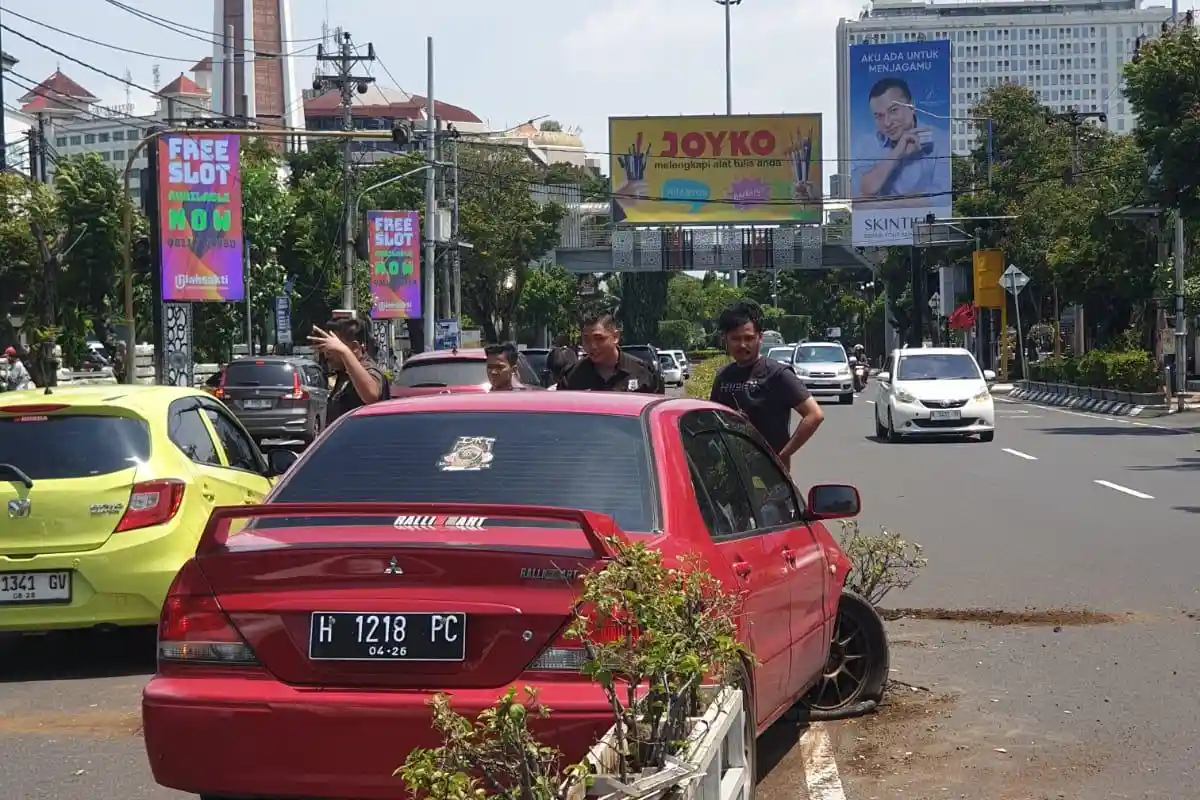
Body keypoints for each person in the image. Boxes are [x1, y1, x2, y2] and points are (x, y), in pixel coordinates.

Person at [709, 300, 824, 469]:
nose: (742, 345)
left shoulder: (778, 374)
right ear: (725, 339)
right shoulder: (723, 376)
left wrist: (782, 455)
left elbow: (814, 415)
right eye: (735, 339)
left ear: (760, 338)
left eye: (749, 338)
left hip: (770, 476)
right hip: (732, 474)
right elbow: (712, 420)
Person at [852, 76, 950, 205]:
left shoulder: (940, 140)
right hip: (877, 224)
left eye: (893, 110)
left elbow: (942, 197)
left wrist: (885, 204)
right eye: (879, 116)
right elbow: (864, 190)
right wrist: (898, 152)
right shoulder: (866, 144)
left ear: (911, 106)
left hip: (927, 223)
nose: (887, 123)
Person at [308, 317, 389, 425]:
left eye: (333, 346)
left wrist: (344, 352)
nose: (327, 352)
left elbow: (371, 395)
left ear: (354, 347)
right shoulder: (343, 374)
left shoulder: (368, 368)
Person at [562, 312, 656, 393]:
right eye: (586, 340)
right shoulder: (572, 377)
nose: (592, 346)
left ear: (615, 337)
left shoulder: (642, 373)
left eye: (599, 338)